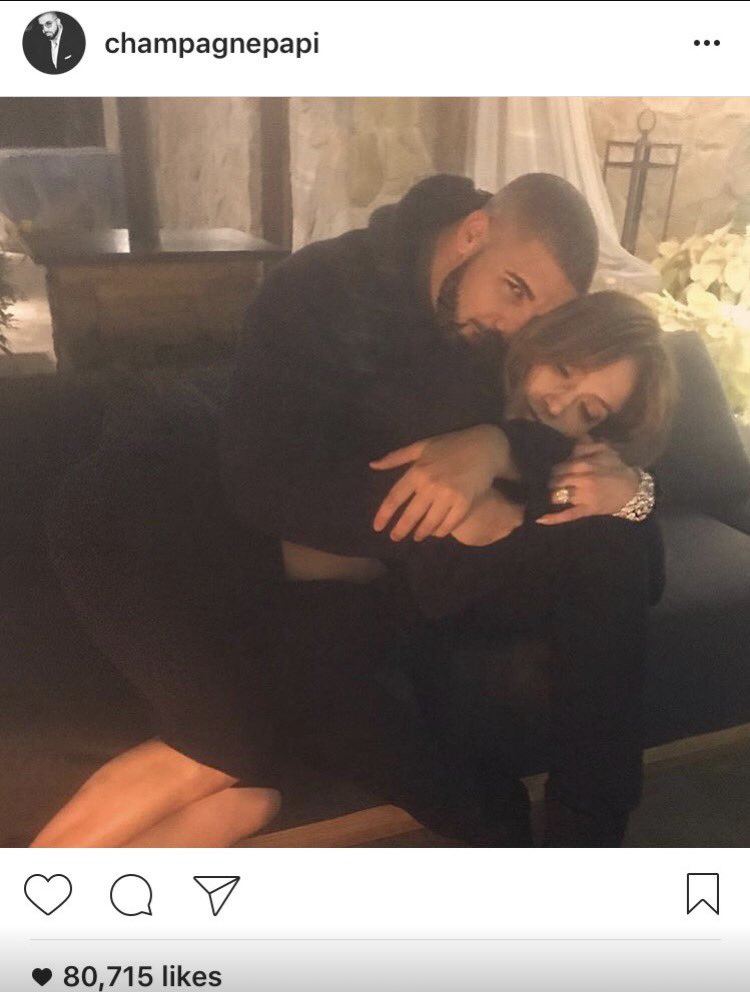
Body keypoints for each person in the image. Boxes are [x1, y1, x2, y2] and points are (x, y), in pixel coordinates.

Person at [31, 175, 671, 847]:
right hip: (160, 523)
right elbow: (271, 486)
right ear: (474, 231)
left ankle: (585, 847)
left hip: (325, 593)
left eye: (536, 320)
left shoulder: (490, 346)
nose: (514, 325)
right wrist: (472, 500)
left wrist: (551, 463)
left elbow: (595, 528)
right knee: (224, 745)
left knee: (251, 795)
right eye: (514, 290)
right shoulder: (328, 294)